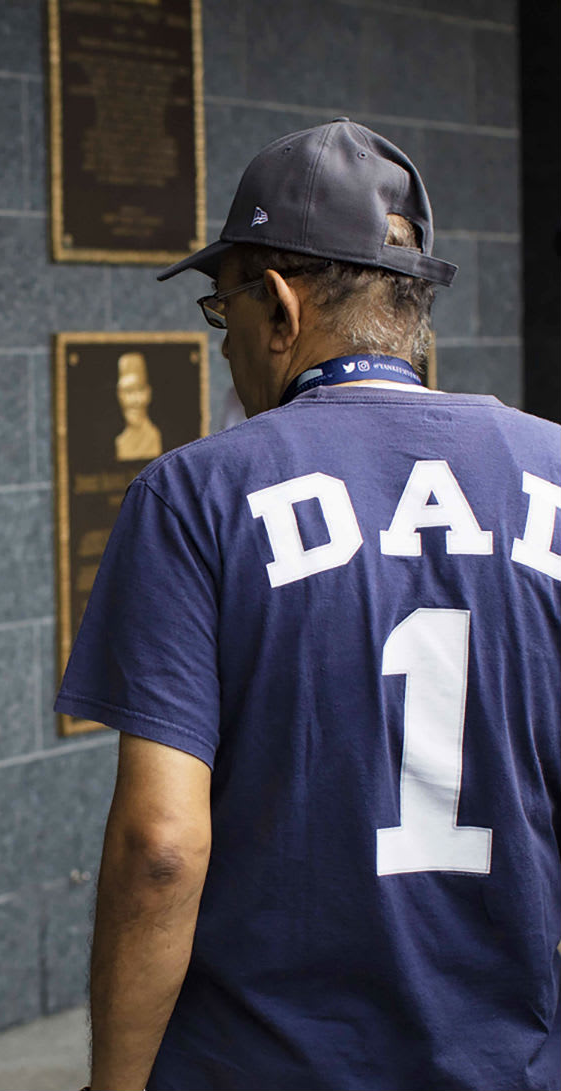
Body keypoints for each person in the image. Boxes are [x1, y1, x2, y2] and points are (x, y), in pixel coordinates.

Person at [55, 117, 561, 1090]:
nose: (225, 341)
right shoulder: (550, 472)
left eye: (222, 307)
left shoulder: (194, 495)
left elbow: (162, 846)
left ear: (279, 306)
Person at [113, 351, 163, 461]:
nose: (134, 400)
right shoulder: (121, 441)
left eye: (140, 390)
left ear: (148, 393)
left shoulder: (154, 436)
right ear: (119, 395)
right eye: (128, 391)